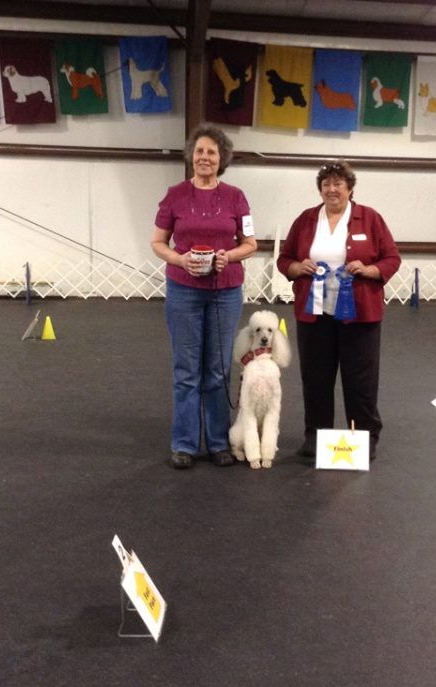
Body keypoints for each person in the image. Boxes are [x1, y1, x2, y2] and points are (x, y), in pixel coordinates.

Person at [276, 161, 401, 460]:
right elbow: (284, 259)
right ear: (320, 189)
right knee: (315, 378)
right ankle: (315, 436)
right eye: (326, 184)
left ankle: (364, 437)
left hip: (359, 315)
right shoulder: (306, 219)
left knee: (360, 379)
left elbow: (391, 258)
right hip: (315, 314)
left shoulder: (370, 218)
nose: (332, 190)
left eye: (338, 184)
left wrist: (369, 270)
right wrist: (297, 267)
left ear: (350, 188)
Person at [151, 123, 257, 469]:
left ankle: (218, 442)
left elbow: (250, 243)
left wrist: (230, 256)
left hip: (225, 293)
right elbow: (157, 242)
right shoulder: (174, 195)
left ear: (221, 158)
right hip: (184, 291)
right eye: (199, 151)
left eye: (211, 152)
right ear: (191, 156)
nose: (205, 157)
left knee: (218, 370)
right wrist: (179, 259)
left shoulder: (237, 197)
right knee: (186, 370)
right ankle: (184, 443)